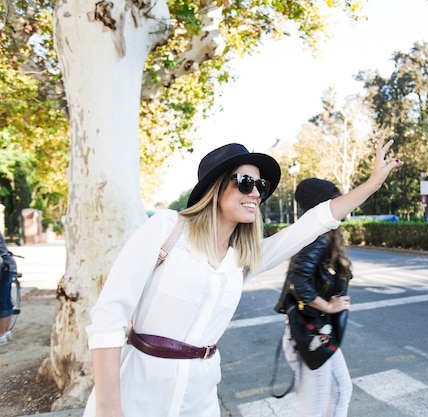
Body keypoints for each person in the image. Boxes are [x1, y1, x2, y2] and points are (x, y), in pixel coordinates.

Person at [83, 140, 402, 417]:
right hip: (139, 389)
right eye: (245, 182)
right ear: (217, 186)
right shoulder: (167, 229)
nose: (256, 193)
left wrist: (373, 183)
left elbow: (315, 222)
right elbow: (109, 317)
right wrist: (109, 407)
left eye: (261, 186)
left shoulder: (244, 258)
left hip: (201, 395)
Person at [275, 178, 353, 417]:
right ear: (321, 205)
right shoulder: (316, 237)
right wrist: (328, 306)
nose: (342, 204)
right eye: (335, 200)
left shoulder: (327, 234)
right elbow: (299, 281)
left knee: (341, 390)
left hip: (319, 329)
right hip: (309, 331)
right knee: (314, 409)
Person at [0, 232, 16, 345]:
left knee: (2, 301)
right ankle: (6, 332)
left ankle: (1, 334)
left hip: (3, 266)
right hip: (8, 265)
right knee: (5, 299)